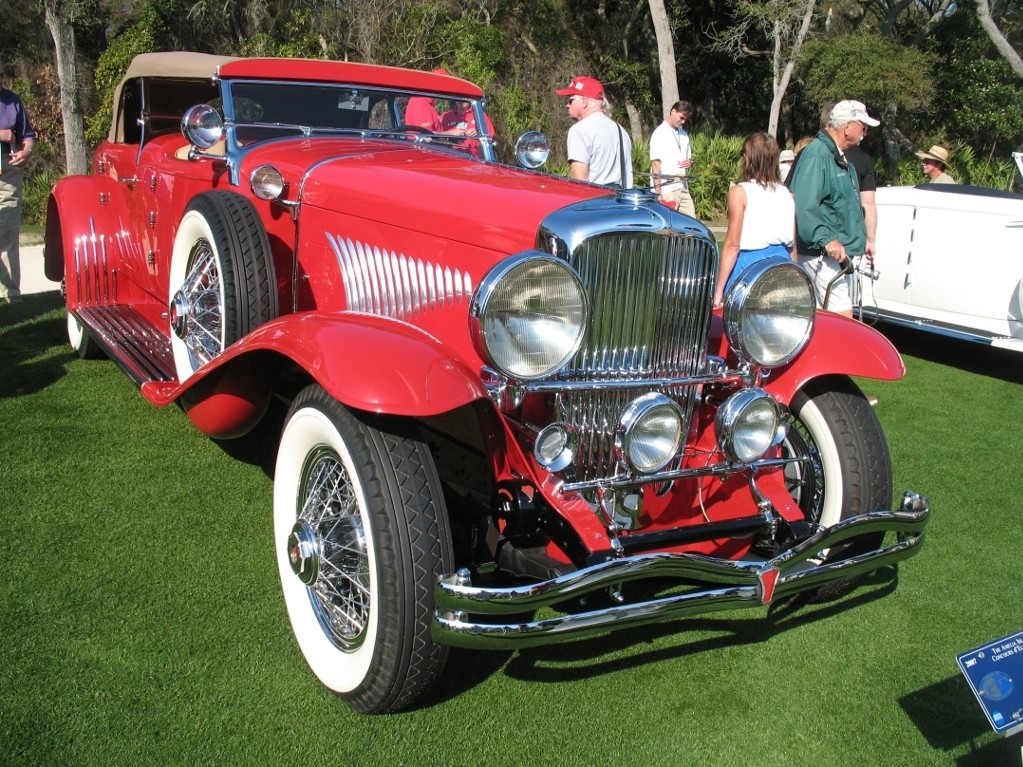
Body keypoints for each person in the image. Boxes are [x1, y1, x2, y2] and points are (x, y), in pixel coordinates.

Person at [788, 99, 880, 318]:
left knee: (827, 324)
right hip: (822, 257)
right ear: (847, 126)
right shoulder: (818, 154)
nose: (865, 133)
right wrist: (827, 240)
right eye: (863, 127)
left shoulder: (836, 156)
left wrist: (862, 240)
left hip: (836, 258)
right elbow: (803, 204)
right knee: (843, 323)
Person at [713, 132, 796, 307]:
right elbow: (791, 245)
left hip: (750, 267)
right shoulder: (786, 193)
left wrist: (718, 291)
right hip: (782, 266)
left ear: (748, 158)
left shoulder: (740, 192)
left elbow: (732, 245)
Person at [555, 76, 633, 188]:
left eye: (570, 100)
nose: (567, 105)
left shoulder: (579, 130)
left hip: (595, 202)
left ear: (584, 101)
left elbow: (579, 183)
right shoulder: (621, 131)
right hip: (622, 202)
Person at [0, 63, 36, 305]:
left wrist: (27, 151)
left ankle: (11, 293)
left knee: (7, 230)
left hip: (7, 169)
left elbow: (27, 135)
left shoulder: (12, 100)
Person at [649, 101, 695, 216]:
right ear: (673, 112)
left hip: (682, 186)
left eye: (685, 119)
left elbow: (689, 158)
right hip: (667, 189)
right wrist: (658, 194)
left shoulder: (684, 134)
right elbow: (655, 164)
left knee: (691, 224)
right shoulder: (660, 133)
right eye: (681, 118)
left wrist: (690, 162)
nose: (683, 122)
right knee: (670, 227)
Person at [404, 68, 471, 139]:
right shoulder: (420, 102)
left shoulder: (427, 102)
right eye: (444, 85)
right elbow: (426, 135)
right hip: (427, 149)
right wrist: (452, 133)